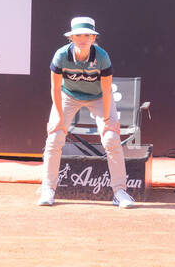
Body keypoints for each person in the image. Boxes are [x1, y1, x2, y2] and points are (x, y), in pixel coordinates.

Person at [37, 17, 134, 209]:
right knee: (54, 136)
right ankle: (48, 188)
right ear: (71, 37)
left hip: (98, 97)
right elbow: (55, 88)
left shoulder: (102, 57)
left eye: (87, 35)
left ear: (93, 38)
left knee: (111, 138)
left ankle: (120, 192)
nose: (82, 38)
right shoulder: (60, 56)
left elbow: (106, 91)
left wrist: (107, 120)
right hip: (68, 96)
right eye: (78, 35)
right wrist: (58, 116)